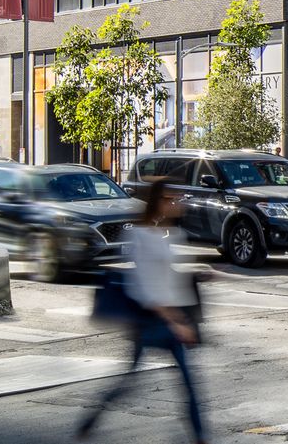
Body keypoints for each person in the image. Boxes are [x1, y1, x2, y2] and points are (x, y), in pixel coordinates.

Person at [77, 180, 205, 444]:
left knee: (183, 382)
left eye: (177, 198)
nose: (176, 203)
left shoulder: (171, 235)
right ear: (156, 202)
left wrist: (197, 280)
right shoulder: (140, 236)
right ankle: (92, 418)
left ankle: (200, 436)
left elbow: (168, 280)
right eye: (169, 199)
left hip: (168, 318)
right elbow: (144, 287)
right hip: (150, 321)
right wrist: (176, 322)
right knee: (134, 382)